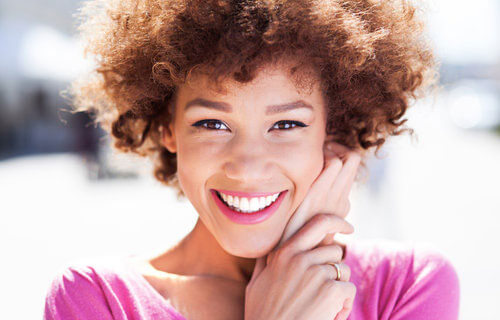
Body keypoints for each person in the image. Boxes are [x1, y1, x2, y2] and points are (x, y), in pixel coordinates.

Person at [44, 0, 460, 319]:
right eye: (212, 124)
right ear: (167, 127)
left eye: (285, 125)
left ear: (331, 131)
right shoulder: (99, 298)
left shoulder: (407, 285)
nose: (246, 166)